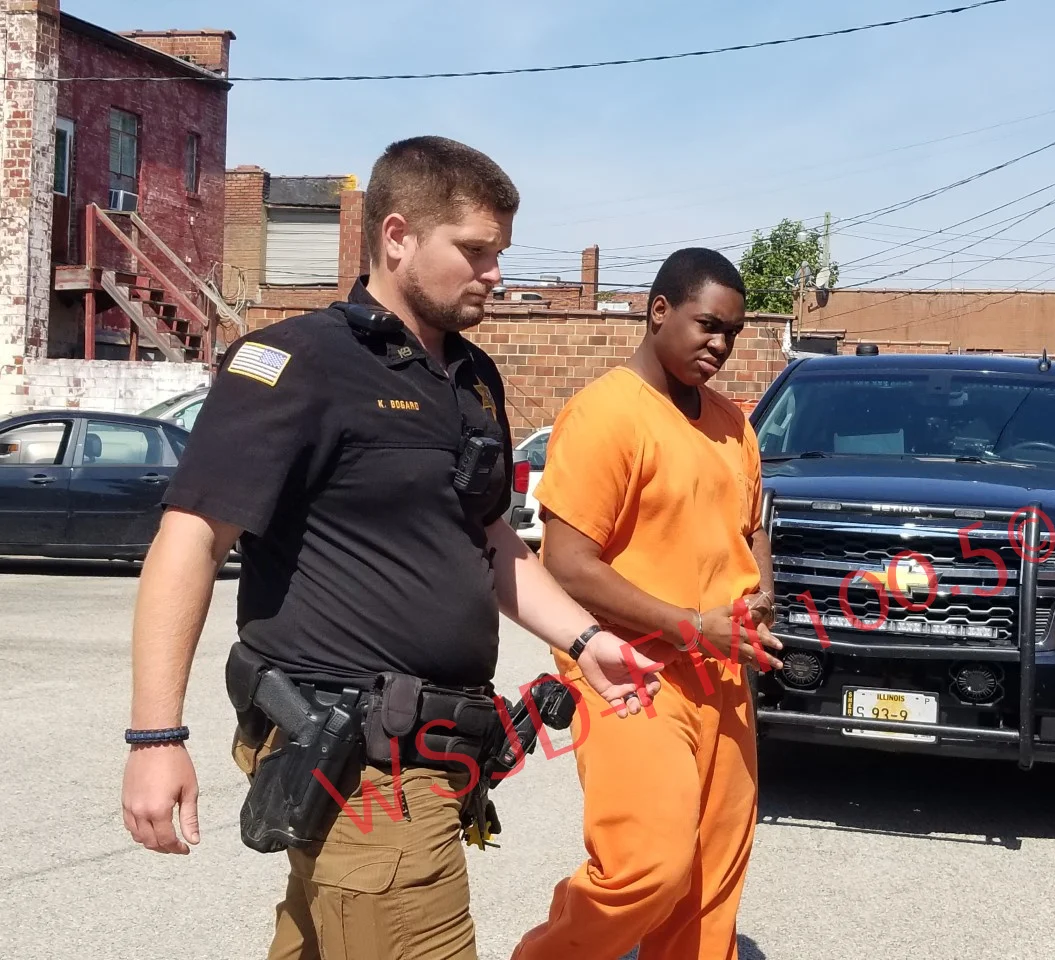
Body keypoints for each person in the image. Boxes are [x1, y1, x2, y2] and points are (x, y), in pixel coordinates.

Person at [119, 135, 663, 960]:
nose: (495, 274)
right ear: (398, 235)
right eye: (475, 251)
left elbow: (490, 541)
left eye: (500, 254)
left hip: (440, 761)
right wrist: (155, 739)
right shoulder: (295, 361)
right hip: (356, 757)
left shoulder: (475, 377)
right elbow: (190, 538)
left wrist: (587, 642)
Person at [510, 248, 784, 960]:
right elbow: (566, 565)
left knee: (711, 880)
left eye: (733, 331)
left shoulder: (733, 422)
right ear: (658, 310)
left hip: (723, 676)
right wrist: (694, 626)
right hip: (629, 675)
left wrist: (762, 597)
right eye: (706, 325)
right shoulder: (605, 415)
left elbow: (753, 527)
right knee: (647, 867)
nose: (719, 345)